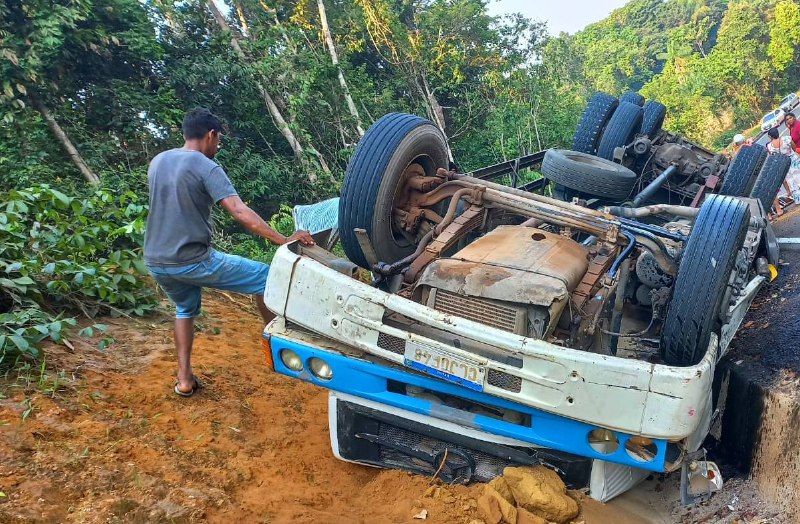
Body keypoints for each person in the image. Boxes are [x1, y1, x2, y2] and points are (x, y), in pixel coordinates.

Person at [144, 108, 315, 397]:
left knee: (184, 309)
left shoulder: (158, 161)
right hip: (193, 260)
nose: (218, 146)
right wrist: (283, 239)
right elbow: (239, 211)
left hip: (157, 261)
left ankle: (184, 379)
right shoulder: (205, 166)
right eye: (219, 139)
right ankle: (278, 342)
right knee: (266, 278)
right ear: (210, 135)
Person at [765, 126, 798, 218]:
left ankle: (798, 198)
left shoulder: (769, 146)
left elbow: (772, 157)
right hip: (793, 160)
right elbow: (794, 148)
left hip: (784, 165)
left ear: (770, 136)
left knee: (791, 182)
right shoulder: (787, 138)